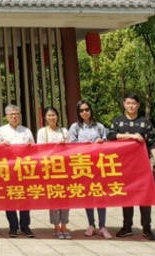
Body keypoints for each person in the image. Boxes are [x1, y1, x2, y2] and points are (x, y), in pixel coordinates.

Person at [108, 92, 155, 241]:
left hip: (142, 167)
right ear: (124, 104)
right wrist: (132, 136)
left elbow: (153, 143)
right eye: (128, 103)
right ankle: (127, 227)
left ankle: (147, 228)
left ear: (138, 105)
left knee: (145, 198)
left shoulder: (145, 123)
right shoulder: (118, 121)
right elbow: (110, 136)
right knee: (127, 197)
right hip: (124, 166)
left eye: (133, 103)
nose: (131, 106)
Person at [67, 99, 111, 239]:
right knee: (89, 195)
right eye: (81, 110)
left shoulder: (99, 126)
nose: (84, 112)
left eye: (87, 109)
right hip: (84, 165)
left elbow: (107, 144)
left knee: (100, 195)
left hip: (98, 165)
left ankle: (102, 226)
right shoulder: (75, 127)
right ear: (78, 113)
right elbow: (71, 145)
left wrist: (101, 142)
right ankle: (91, 224)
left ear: (91, 110)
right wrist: (84, 145)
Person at [0, 104, 34, 238]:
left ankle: (25, 226)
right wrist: (1, 145)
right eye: (12, 114)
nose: (14, 116)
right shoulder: (1, 131)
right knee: (10, 198)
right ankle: (13, 226)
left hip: (24, 169)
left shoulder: (26, 131)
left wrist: (30, 146)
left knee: (24, 198)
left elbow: (34, 149)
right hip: (8, 170)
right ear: (6, 116)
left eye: (17, 114)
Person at [37, 106, 70, 239]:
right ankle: (56, 226)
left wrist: (64, 145)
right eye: (49, 115)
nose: (52, 118)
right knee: (54, 198)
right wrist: (56, 147)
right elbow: (40, 150)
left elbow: (71, 148)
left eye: (54, 115)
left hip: (64, 169)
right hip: (50, 169)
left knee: (65, 199)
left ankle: (64, 225)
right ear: (45, 117)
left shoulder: (64, 131)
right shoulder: (42, 132)